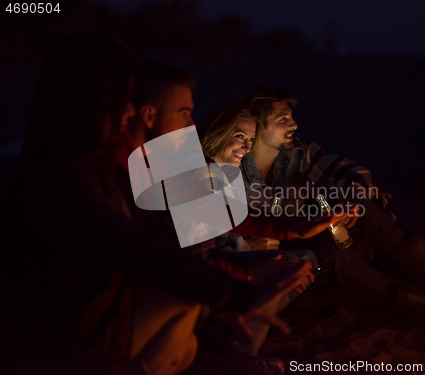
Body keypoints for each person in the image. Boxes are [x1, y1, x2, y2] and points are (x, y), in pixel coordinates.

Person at [0, 37, 319, 375]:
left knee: (263, 272)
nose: (128, 110)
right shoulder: (73, 171)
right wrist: (232, 290)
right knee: (186, 303)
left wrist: (282, 236)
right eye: (184, 113)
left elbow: (196, 222)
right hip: (60, 325)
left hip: (101, 301)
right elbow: (136, 246)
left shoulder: (132, 161)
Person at [240, 86, 425, 314]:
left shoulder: (294, 152)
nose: (294, 125)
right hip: (279, 268)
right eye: (283, 119)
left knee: (360, 207)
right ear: (258, 127)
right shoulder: (236, 171)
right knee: (337, 257)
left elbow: (340, 169)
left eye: (292, 117)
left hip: (308, 243)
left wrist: (352, 200)